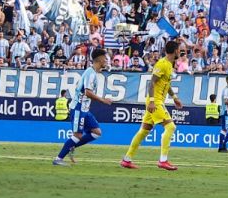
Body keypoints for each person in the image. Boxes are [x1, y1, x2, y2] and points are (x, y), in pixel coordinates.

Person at [122, 40, 181, 171]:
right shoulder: (162, 64)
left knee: (143, 131)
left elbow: (166, 84)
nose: (180, 52)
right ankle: (163, 160)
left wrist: (175, 97)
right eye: (179, 49)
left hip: (156, 100)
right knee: (171, 127)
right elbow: (152, 83)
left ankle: (127, 160)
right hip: (155, 101)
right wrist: (153, 101)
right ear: (175, 50)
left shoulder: (170, 65)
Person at [54, 47, 110, 165]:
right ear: (99, 59)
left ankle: (72, 147)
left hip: (84, 109)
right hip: (78, 108)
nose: (106, 61)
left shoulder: (92, 73)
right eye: (105, 59)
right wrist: (103, 100)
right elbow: (87, 92)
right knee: (78, 135)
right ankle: (58, 159)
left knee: (96, 132)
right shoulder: (90, 73)